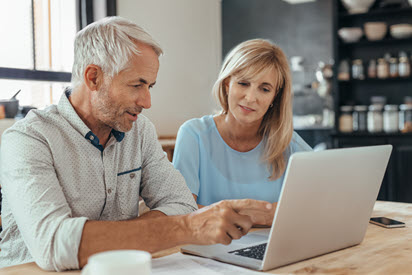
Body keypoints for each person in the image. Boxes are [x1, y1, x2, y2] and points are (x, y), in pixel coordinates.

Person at [0, 17, 273, 271]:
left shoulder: (140, 131)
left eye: (150, 87)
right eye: (136, 85)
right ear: (93, 77)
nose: (147, 102)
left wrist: (105, 238)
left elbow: (181, 204)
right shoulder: (27, 139)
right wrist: (186, 228)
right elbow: (55, 244)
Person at [173, 39, 312, 224]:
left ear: (274, 97)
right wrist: (263, 215)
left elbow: (319, 204)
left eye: (264, 89)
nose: (250, 97)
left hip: (273, 249)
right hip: (207, 250)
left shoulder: (289, 144)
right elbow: (182, 212)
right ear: (227, 84)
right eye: (243, 83)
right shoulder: (193, 135)